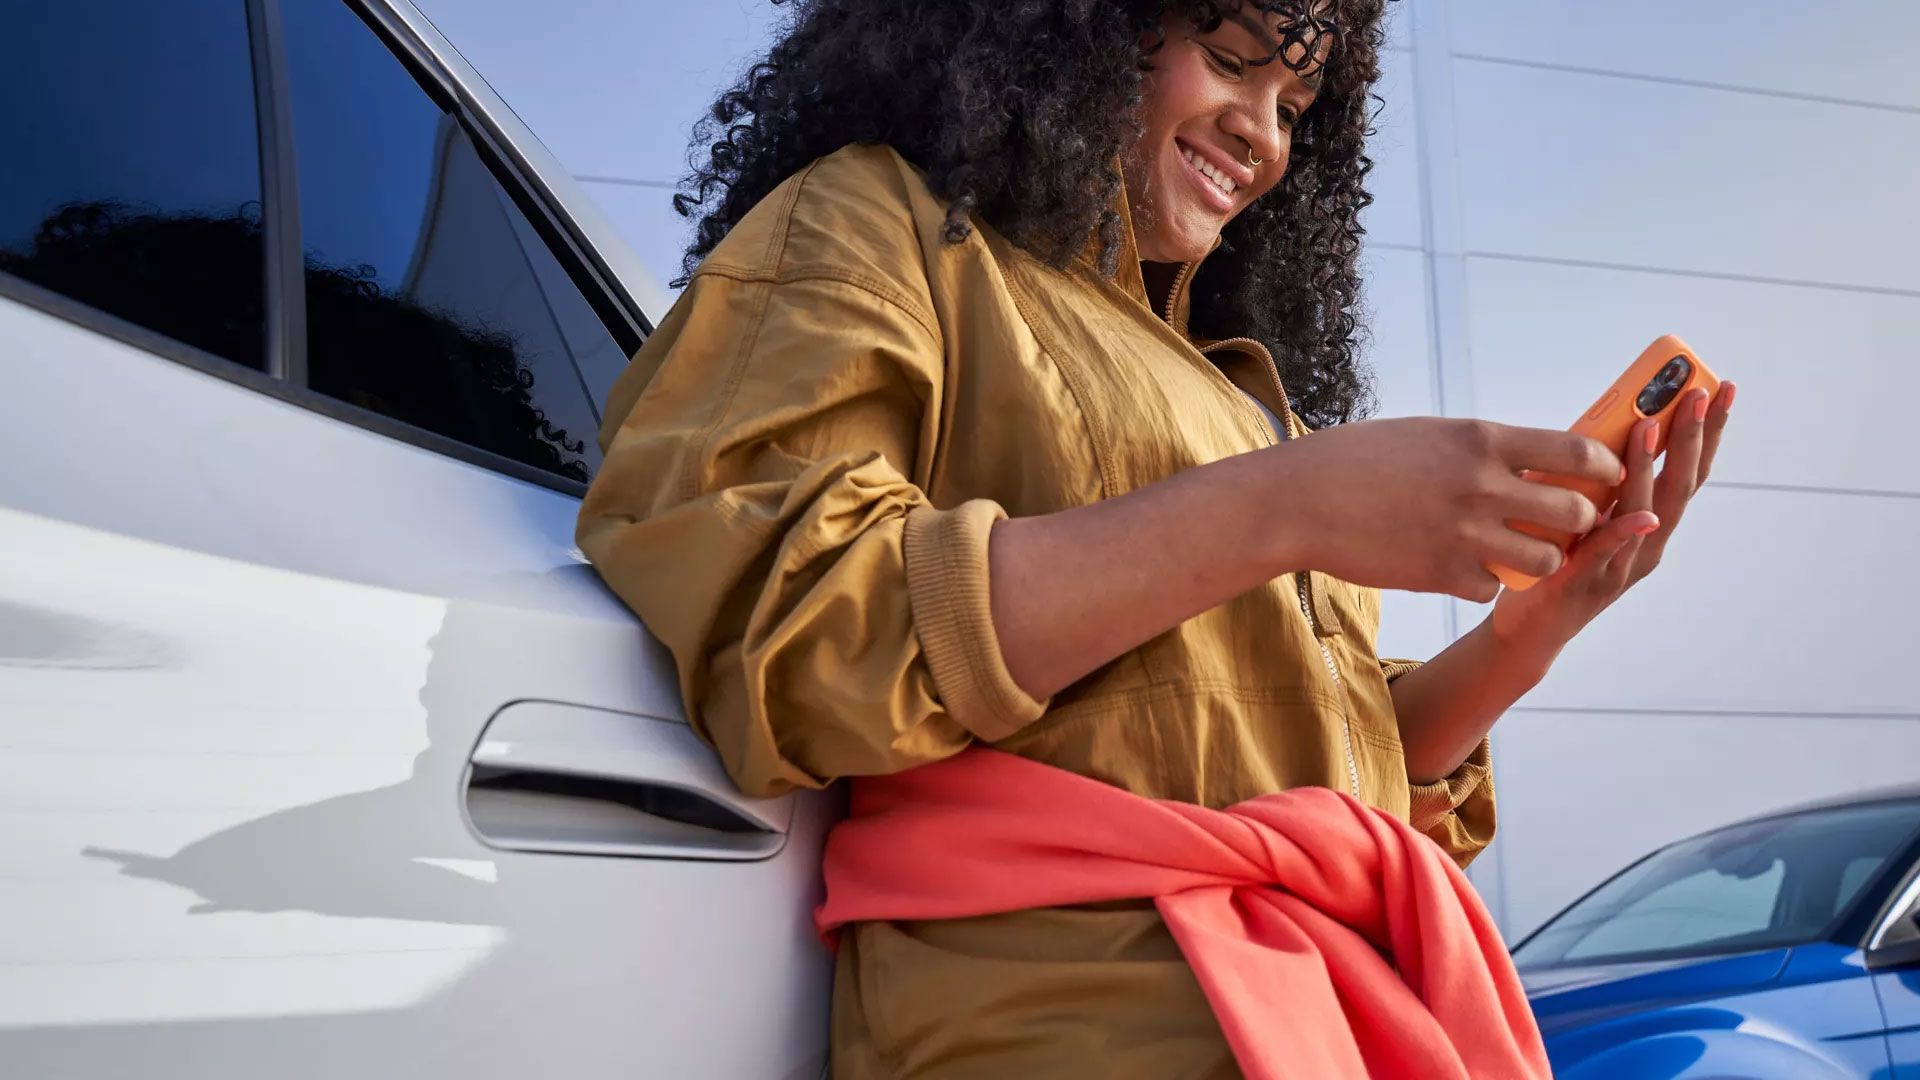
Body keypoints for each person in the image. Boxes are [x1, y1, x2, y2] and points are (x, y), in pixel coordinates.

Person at [577, 0, 1736, 1075]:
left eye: (1295, 105)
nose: (1264, 136)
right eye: (1231, 58)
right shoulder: (888, 227)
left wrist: (1525, 638)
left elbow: (1301, 779)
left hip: (1327, 1022)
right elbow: (782, 630)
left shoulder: (1249, 401)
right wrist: (1287, 504)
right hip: (1073, 1026)